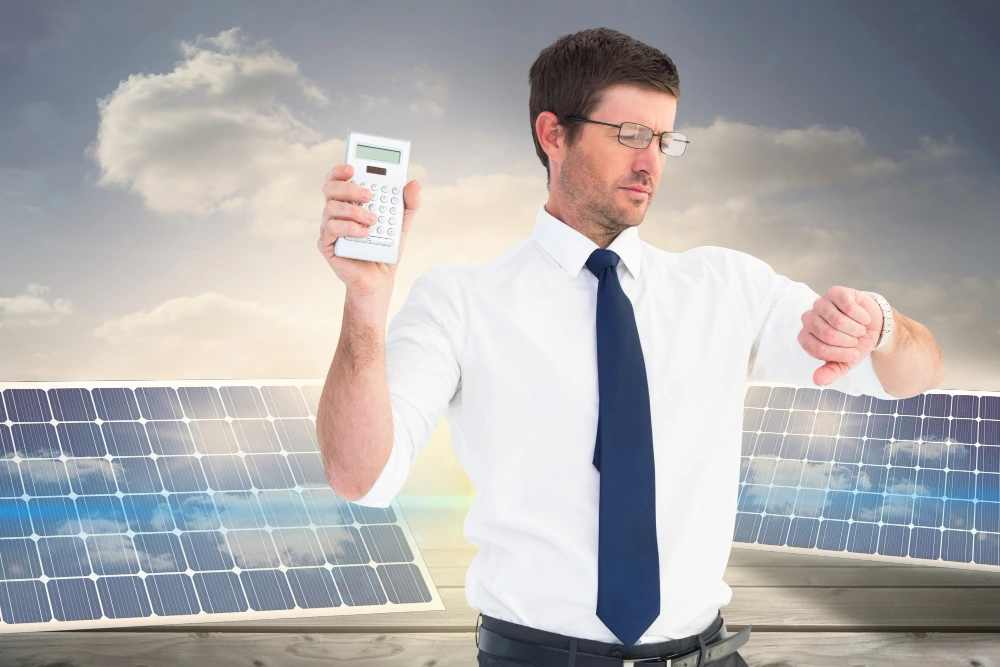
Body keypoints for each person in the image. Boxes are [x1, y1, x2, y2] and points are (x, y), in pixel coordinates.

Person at [315, 27, 944, 667]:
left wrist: (882, 325)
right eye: (630, 135)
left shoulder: (729, 288)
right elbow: (361, 477)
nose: (651, 163)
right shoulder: (459, 301)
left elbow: (912, 375)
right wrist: (365, 301)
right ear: (553, 134)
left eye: (665, 140)